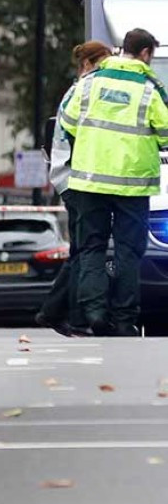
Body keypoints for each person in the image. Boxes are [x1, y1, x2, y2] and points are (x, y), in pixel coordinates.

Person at [59, 28, 168, 336]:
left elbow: (67, 122)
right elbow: (165, 130)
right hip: (133, 185)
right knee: (128, 252)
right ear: (145, 53)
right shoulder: (149, 89)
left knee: (92, 247)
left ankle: (94, 312)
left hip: (89, 181)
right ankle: (123, 319)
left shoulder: (90, 83)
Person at [36, 40, 112, 337]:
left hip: (70, 178)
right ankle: (64, 312)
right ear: (88, 64)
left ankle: (55, 311)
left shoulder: (77, 91)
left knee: (81, 248)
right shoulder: (82, 92)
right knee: (86, 249)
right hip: (76, 179)